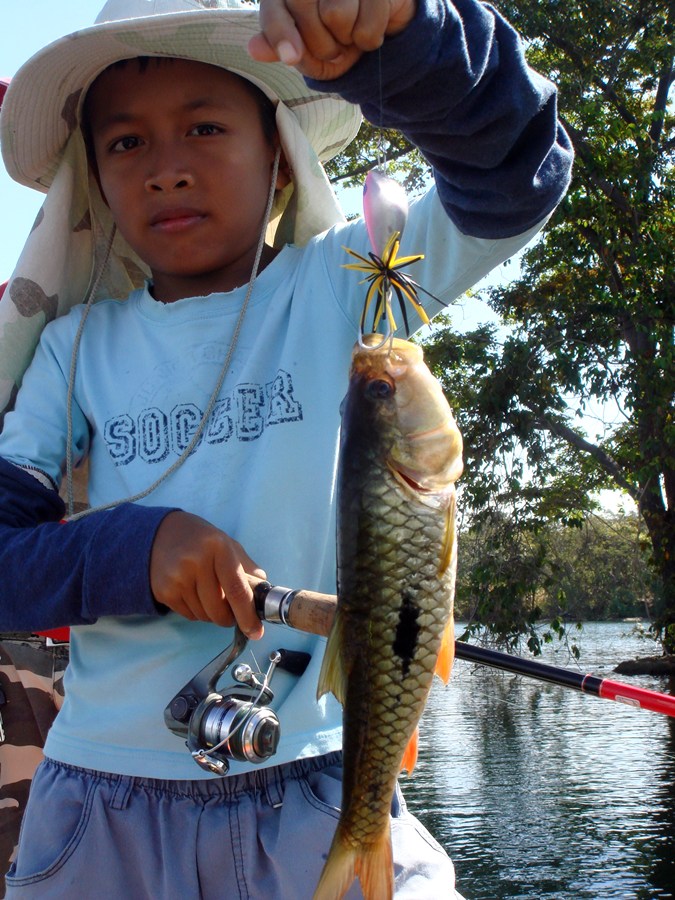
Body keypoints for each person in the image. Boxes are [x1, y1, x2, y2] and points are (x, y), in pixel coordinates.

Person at [0, 0, 573, 896]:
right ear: (95, 183)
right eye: (126, 144)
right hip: (97, 810)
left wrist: (411, 37)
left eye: (203, 126)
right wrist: (135, 550)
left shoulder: (351, 284)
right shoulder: (73, 350)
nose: (166, 169)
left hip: (324, 781)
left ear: (278, 155)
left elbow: (512, 178)